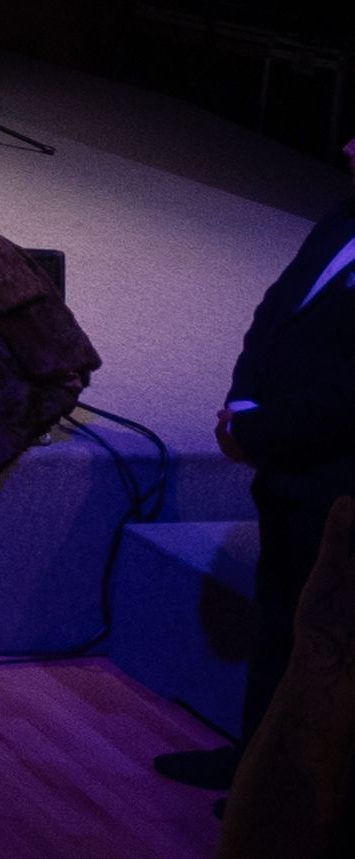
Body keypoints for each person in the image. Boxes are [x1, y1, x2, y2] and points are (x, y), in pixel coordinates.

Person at [154, 146, 355, 799]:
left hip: (334, 477)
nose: (347, 146)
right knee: (276, 621)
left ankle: (283, 797)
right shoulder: (343, 214)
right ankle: (252, 764)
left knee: (319, 646)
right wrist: (241, 403)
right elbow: (276, 309)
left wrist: (254, 431)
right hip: (285, 464)